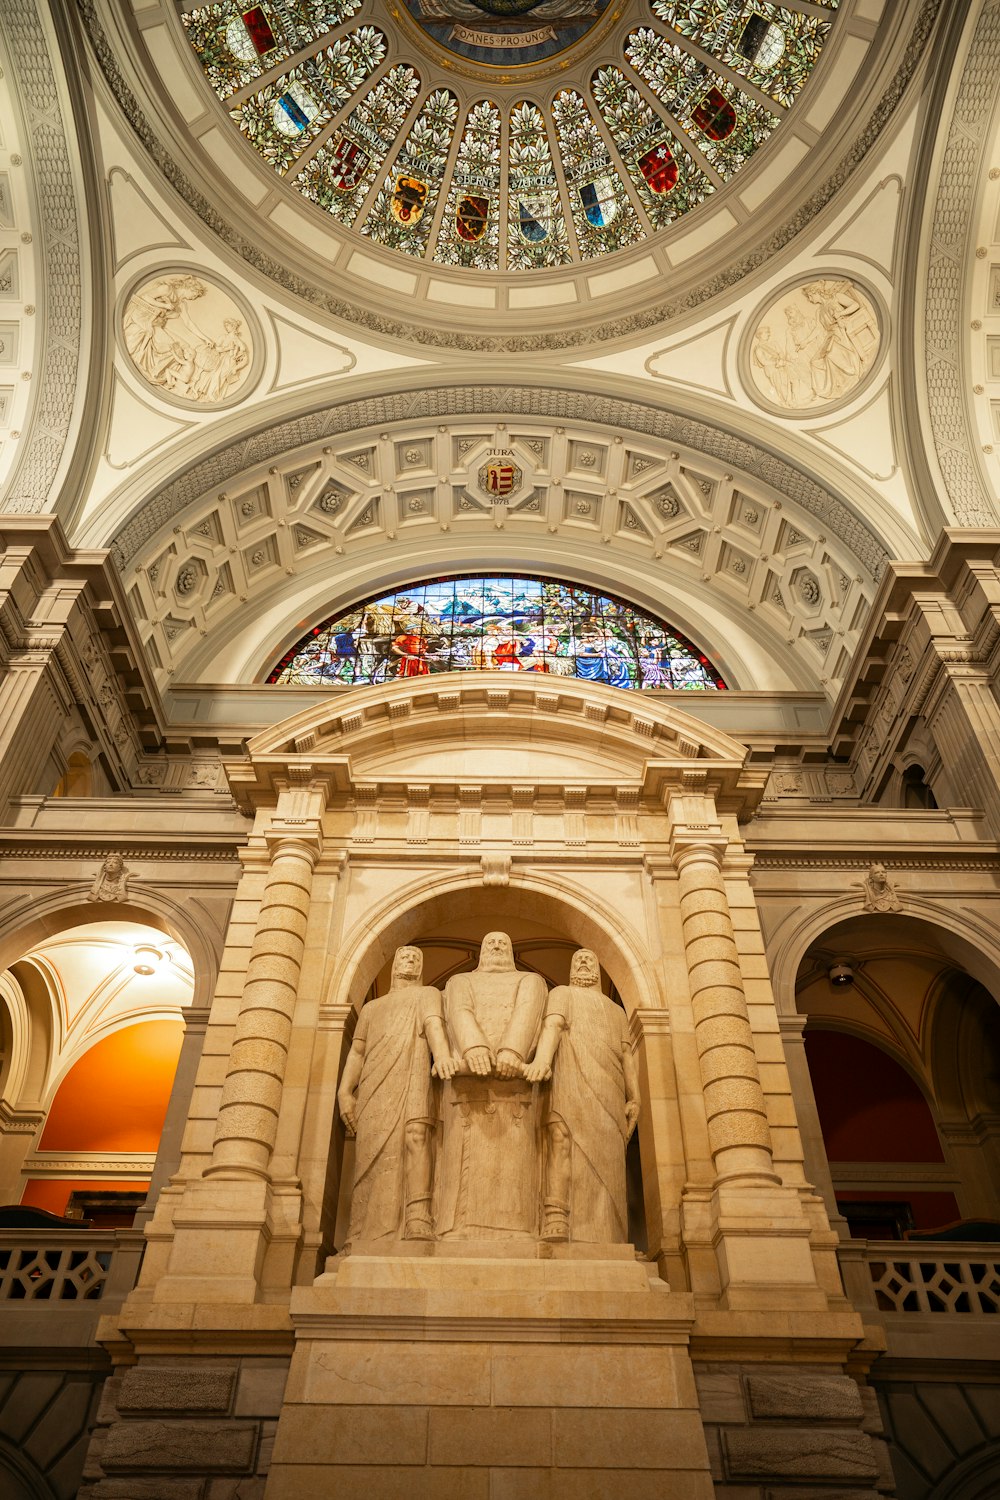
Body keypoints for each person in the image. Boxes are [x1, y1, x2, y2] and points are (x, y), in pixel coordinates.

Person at [337, 945, 458, 1241]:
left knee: (417, 1135)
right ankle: (362, 1229)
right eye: (404, 956)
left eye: (416, 958)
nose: (410, 960)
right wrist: (344, 1091)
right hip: (375, 1082)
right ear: (393, 965)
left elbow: (434, 1027)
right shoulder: (371, 1008)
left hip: (414, 1073)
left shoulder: (427, 995)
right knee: (372, 1147)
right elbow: (357, 1051)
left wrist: (442, 1056)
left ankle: (418, 1216)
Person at [524, 947, 640, 1243]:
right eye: (579, 960)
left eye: (590, 959)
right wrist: (542, 1062)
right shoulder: (561, 993)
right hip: (569, 1076)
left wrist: (635, 1096)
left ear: (598, 971)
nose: (585, 963)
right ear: (571, 969)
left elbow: (627, 1054)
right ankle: (556, 1217)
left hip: (608, 1086)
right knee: (561, 1139)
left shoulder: (616, 1011)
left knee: (608, 1153)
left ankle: (608, 1232)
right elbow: (552, 1025)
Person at [437, 932, 547, 1238]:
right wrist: (474, 1048)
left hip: (516, 1088)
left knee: (513, 1166)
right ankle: (458, 1228)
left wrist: (512, 1051)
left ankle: (518, 1229)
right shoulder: (460, 981)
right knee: (465, 1164)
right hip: (466, 1084)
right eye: (490, 942)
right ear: (481, 951)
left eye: (503, 943)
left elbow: (528, 1011)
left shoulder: (531, 981)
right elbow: (459, 1012)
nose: (497, 946)